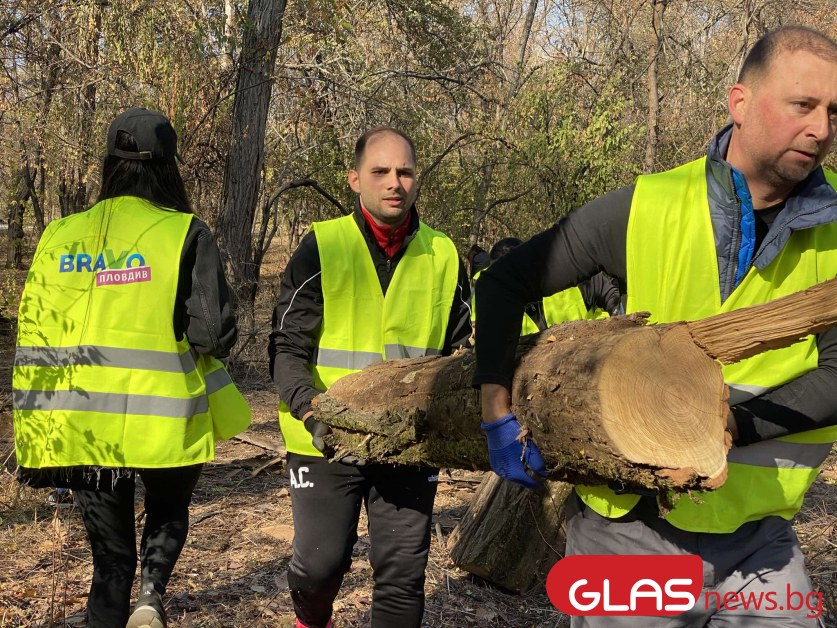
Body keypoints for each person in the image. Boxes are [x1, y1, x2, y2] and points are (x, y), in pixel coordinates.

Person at [474, 26, 837, 627]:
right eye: (803, 105)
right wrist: (495, 409)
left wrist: (721, 428)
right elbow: (504, 281)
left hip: (760, 544)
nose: (821, 129)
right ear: (739, 102)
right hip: (630, 533)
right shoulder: (645, 206)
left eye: (833, 112)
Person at [12, 108, 251, 628]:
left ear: (109, 164)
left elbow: (35, 329)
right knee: (166, 510)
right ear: (168, 168)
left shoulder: (58, 236)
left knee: (108, 562)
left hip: (79, 424)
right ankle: (152, 594)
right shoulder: (183, 232)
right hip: (161, 416)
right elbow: (214, 335)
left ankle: (114, 605)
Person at [269, 127, 472, 628]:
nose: (394, 183)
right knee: (320, 567)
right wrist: (310, 411)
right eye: (380, 171)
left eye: (404, 171)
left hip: (407, 443)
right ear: (355, 179)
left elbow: (462, 353)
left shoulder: (445, 256)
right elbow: (287, 347)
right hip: (324, 437)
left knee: (402, 574)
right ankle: (311, 621)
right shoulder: (323, 246)